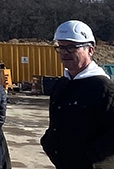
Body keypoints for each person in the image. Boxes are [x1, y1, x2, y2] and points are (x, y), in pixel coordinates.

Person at [40, 20, 114, 169]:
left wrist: (89, 157)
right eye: (61, 47)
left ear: (90, 50)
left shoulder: (103, 88)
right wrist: (49, 143)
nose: (64, 53)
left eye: (71, 47)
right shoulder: (62, 85)